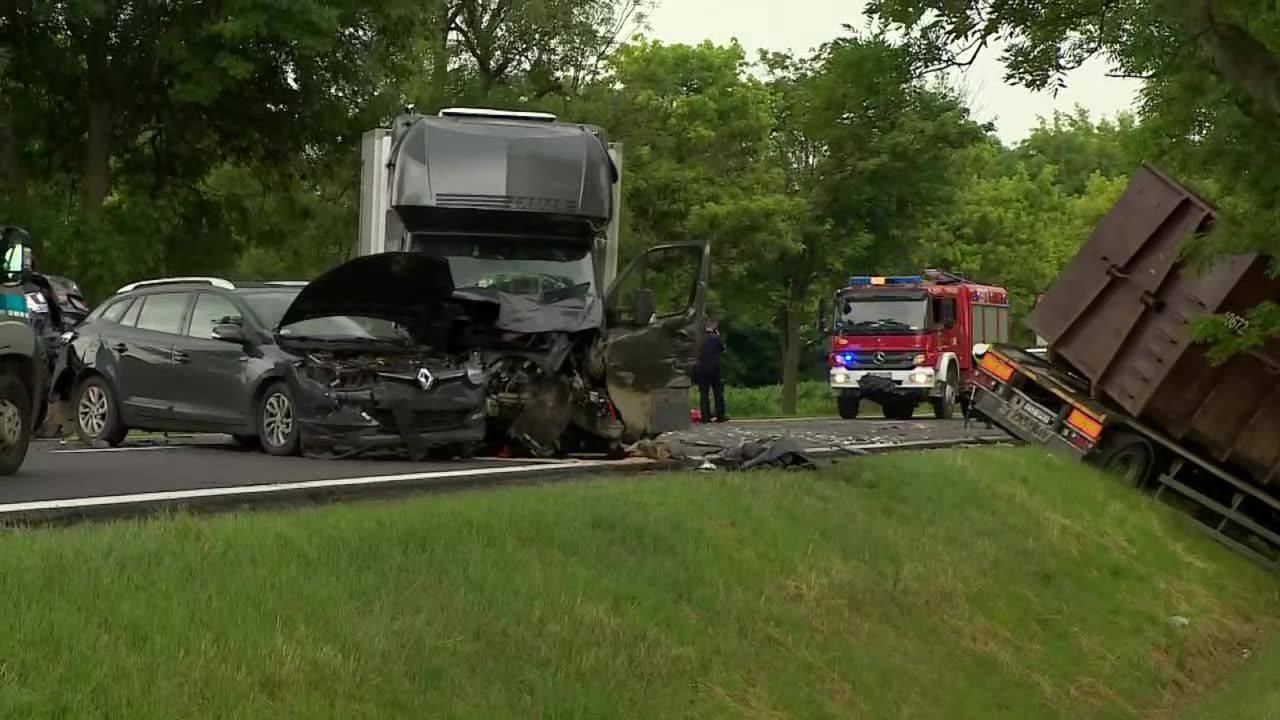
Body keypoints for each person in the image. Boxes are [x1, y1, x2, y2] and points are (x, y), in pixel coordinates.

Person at [694, 318, 727, 423]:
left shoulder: (699, 339)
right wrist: (718, 335)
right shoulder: (716, 338)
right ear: (714, 327)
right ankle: (720, 415)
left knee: (704, 394)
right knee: (718, 392)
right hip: (714, 368)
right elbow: (723, 349)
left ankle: (705, 416)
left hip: (701, 368)